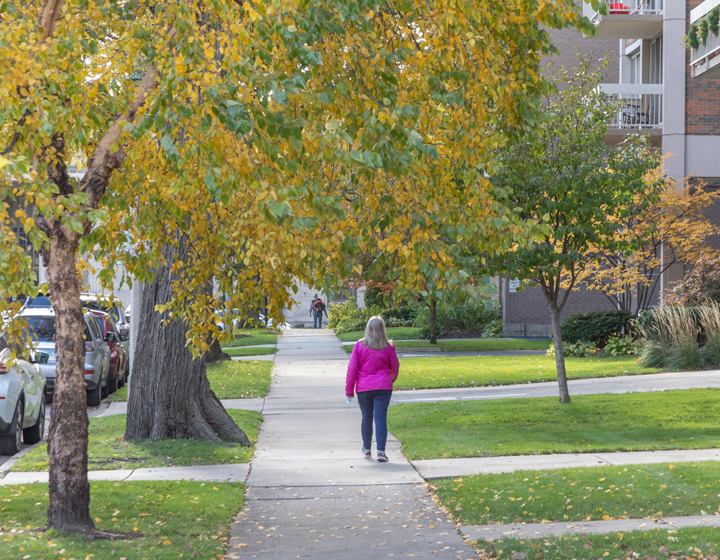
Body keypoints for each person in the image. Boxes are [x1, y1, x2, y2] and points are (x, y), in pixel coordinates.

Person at [345, 315, 399, 462]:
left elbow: (352, 370)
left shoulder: (359, 346)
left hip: (364, 388)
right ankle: (381, 452)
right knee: (380, 418)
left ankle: (367, 449)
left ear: (368, 329)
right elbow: (395, 367)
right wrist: (388, 380)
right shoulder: (388, 347)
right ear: (382, 329)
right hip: (383, 388)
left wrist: (349, 391)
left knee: (366, 418)